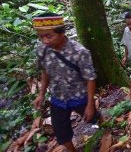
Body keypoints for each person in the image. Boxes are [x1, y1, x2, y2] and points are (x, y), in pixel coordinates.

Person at [32, 13, 101, 152]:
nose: (44, 41)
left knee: (93, 116)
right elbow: (45, 72)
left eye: (49, 36)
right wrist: (41, 94)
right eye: (41, 37)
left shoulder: (79, 52)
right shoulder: (42, 50)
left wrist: (89, 104)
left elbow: (90, 78)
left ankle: (105, 125)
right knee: (61, 133)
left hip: (79, 96)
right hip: (58, 99)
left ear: (62, 32)